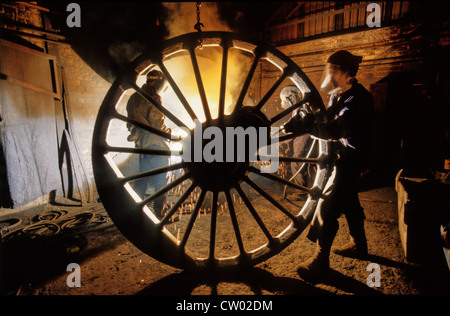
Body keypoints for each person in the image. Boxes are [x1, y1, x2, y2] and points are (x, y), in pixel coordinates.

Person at [282, 50, 374, 280]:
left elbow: (335, 130)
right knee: (350, 200)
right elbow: (324, 117)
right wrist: (303, 120)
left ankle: (320, 262)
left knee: (326, 205)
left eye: (333, 69)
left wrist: (306, 127)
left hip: (355, 158)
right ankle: (359, 245)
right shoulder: (337, 95)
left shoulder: (358, 99)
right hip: (345, 155)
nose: (329, 73)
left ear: (347, 73)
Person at [126, 70, 171, 218]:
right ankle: (159, 214)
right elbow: (158, 124)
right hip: (157, 145)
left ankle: (135, 211)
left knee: (142, 180)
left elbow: (129, 123)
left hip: (142, 147)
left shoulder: (133, 98)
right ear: (158, 82)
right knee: (161, 182)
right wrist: (170, 132)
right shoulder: (153, 97)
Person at [279, 85, 314, 200]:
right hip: (300, 137)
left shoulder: (303, 107)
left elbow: (300, 126)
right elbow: (292, 124)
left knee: (297, 162)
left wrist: (284, 137)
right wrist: (282, 137)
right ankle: (300, 187)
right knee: (296, 162)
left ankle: (301, 192)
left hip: (303, 137)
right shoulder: (297, 108)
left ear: (291, 98)